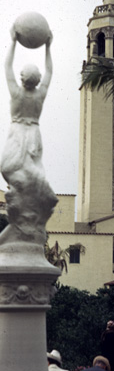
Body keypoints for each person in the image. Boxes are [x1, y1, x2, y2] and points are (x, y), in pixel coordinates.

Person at [0, 25, 57, 246]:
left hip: (19, 132)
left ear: (23, 79)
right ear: (36, 80)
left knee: (9, 168)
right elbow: (50, 72)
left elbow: (7, 66)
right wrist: (48, 48)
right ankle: (23, 208)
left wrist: (13, 41)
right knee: (28, 172)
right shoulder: (40, 94)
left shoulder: (16, 92)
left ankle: (24, 209)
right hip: (33, 133)